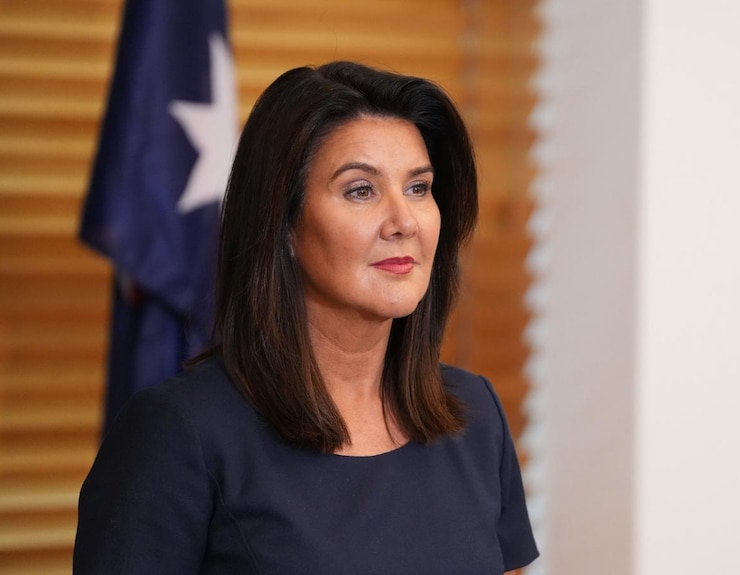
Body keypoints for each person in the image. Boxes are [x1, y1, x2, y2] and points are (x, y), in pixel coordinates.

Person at [74, 61, 538, 574]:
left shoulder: (475, 415)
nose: (404, 221)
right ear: (285, 225)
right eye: (361, 189)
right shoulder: (178, 433)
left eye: (418, 188)